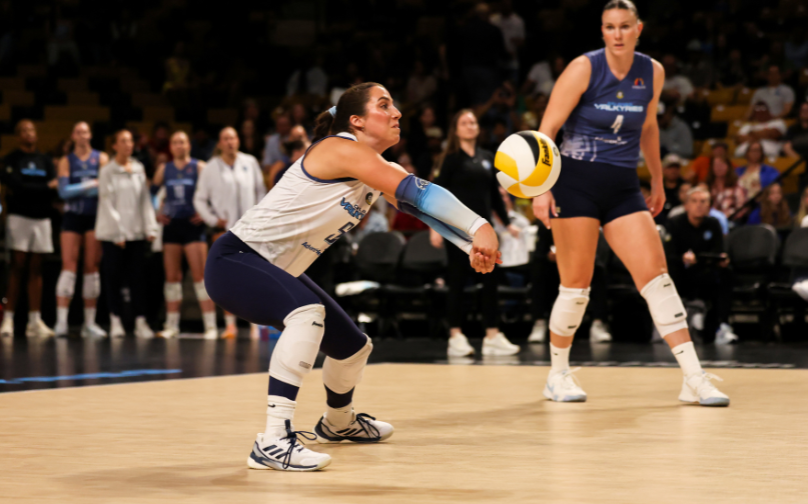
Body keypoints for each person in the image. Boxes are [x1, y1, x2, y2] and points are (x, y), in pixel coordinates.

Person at [203, 82, 501, 471]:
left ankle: (338, 423)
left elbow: (421, 209)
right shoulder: (339, 148)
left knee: (353, 347)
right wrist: (481, 226)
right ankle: (273, 440)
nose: (396, 113)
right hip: (236, 260)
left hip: (274, 267)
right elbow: (419, 192)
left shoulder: (377, 168)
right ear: (356, 121)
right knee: (307, 313)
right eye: (384, 105)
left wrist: (470, 246)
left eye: (394, 105)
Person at [531, 0, 729, 406]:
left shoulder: (651, 71)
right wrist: (540, 188)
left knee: (657, 278)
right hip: (576, 183)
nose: (617, 34)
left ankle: (693, 377)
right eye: (609, 27)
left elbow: (650, 126)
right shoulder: (584, 68)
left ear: (639, 28)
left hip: (623, 185)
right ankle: (558, 374)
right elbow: (546, 130)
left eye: (625, 26)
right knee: (576, 286)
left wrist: (656, 179)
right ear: (602, 31)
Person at [431, 109, 520, 358]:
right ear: (455, 129)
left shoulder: (487, 157)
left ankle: (492, 335)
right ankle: (456, 337)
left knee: (490, 282)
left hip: (484, 231)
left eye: (473, 122)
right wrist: (435, 228)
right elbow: (435, 196)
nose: (471, 126)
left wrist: (507, 222)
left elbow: (494, 196)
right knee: (457, 282)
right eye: (465, 122)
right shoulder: (450, 159)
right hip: (458, 230)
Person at [194, 126, 266, 338]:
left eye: (233, 138)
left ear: (238, 141)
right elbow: (199, 199)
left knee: (253, 277)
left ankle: (256, 323)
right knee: (227, 279)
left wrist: (259, 217)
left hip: (250, 230)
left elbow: (261, 192)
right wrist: (212, 219)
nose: (230, 142)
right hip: (224, 231)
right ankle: (230, 324)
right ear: (219, 143)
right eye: (225, 139)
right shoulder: (210, 167)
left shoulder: (250, 162)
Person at [153, 131, 217, 339]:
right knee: (172, 278)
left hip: (193, 226)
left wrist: (206, 212)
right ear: (170, 147)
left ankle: (210, 326)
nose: (179, 146)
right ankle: (172, 325)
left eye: (182, 142)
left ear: (188, 145)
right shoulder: (164, 169)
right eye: (175, 142)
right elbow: (151, 194)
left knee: (200, 277)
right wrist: (156, 213)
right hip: (172, 226)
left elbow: (215, 192)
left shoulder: (200, 167)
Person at [95, 130, 159, 338]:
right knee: (112, 277)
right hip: (114, 236)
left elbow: (144, 201)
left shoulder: (139, 168)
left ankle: (141, 321)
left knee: (138, 278)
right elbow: (107, 202)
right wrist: (118, 233)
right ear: (114, 145)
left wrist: (150, 227)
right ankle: (115, 320)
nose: (128, 145)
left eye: (130, 141)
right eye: (123, 141)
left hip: (136, 234)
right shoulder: (107, 171)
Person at [0, 120, 58, 338]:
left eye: (31, 130)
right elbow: (17, 187)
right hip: (19, 217)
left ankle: (34, 321)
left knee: (36, 269)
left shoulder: (45, 160)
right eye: (23, 130)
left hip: (41, 218)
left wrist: (36, 190)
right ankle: (8, 320)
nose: (28, 133)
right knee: (17, 267)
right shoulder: (11, 159)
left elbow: (55, 188)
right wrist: (43, 188)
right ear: (17, 136)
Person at [54, 122, 109, 338]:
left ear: (91, 135)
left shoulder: (101, 158)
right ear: (73, 136)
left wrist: (83, 188)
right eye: (78, 132)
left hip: (94, 217)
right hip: (73, 217)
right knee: (69, 265)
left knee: (91, 267)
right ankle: (61, 321)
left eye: (85, 132)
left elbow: (104, 189)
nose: (82, 135)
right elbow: (63, 193)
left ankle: (89, 323)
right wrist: (90, 184)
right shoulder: (66, 161)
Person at [666, 187, 738, 344]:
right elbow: (669, 254)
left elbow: (718, 251)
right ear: (686, 205)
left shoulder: (714, 223)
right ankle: (671, 328)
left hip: (706, 271)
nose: (699, 205)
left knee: (727, 273)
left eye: (703, 201)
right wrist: (683, 258)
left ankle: (722, 327)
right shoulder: (675, 223)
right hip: (682, 272)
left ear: (709, 206)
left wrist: (723, 259)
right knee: (670, 271)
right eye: (694, 201)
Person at [706, 154, 747, 219]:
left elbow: (742, 208)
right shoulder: (707, 186)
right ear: (712, 167)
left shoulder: (737, 186)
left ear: (728, 167)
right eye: (716, 165)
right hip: (710, 221)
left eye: (722, 165)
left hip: (732, 221)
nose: (719, 168)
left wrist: (728, 217)